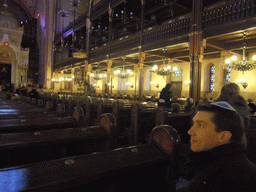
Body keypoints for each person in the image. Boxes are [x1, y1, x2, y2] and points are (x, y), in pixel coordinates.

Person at [175, 101, 256, 192]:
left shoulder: (227, 178)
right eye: (193, 124)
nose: (190, 131)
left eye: (200, 125)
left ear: (223, 136)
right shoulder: (213, 161)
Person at [215, 82, 251, 148]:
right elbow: (247, 125)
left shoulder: (216, 106)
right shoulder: (243, 107)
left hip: (218, 140)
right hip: (239, 140)